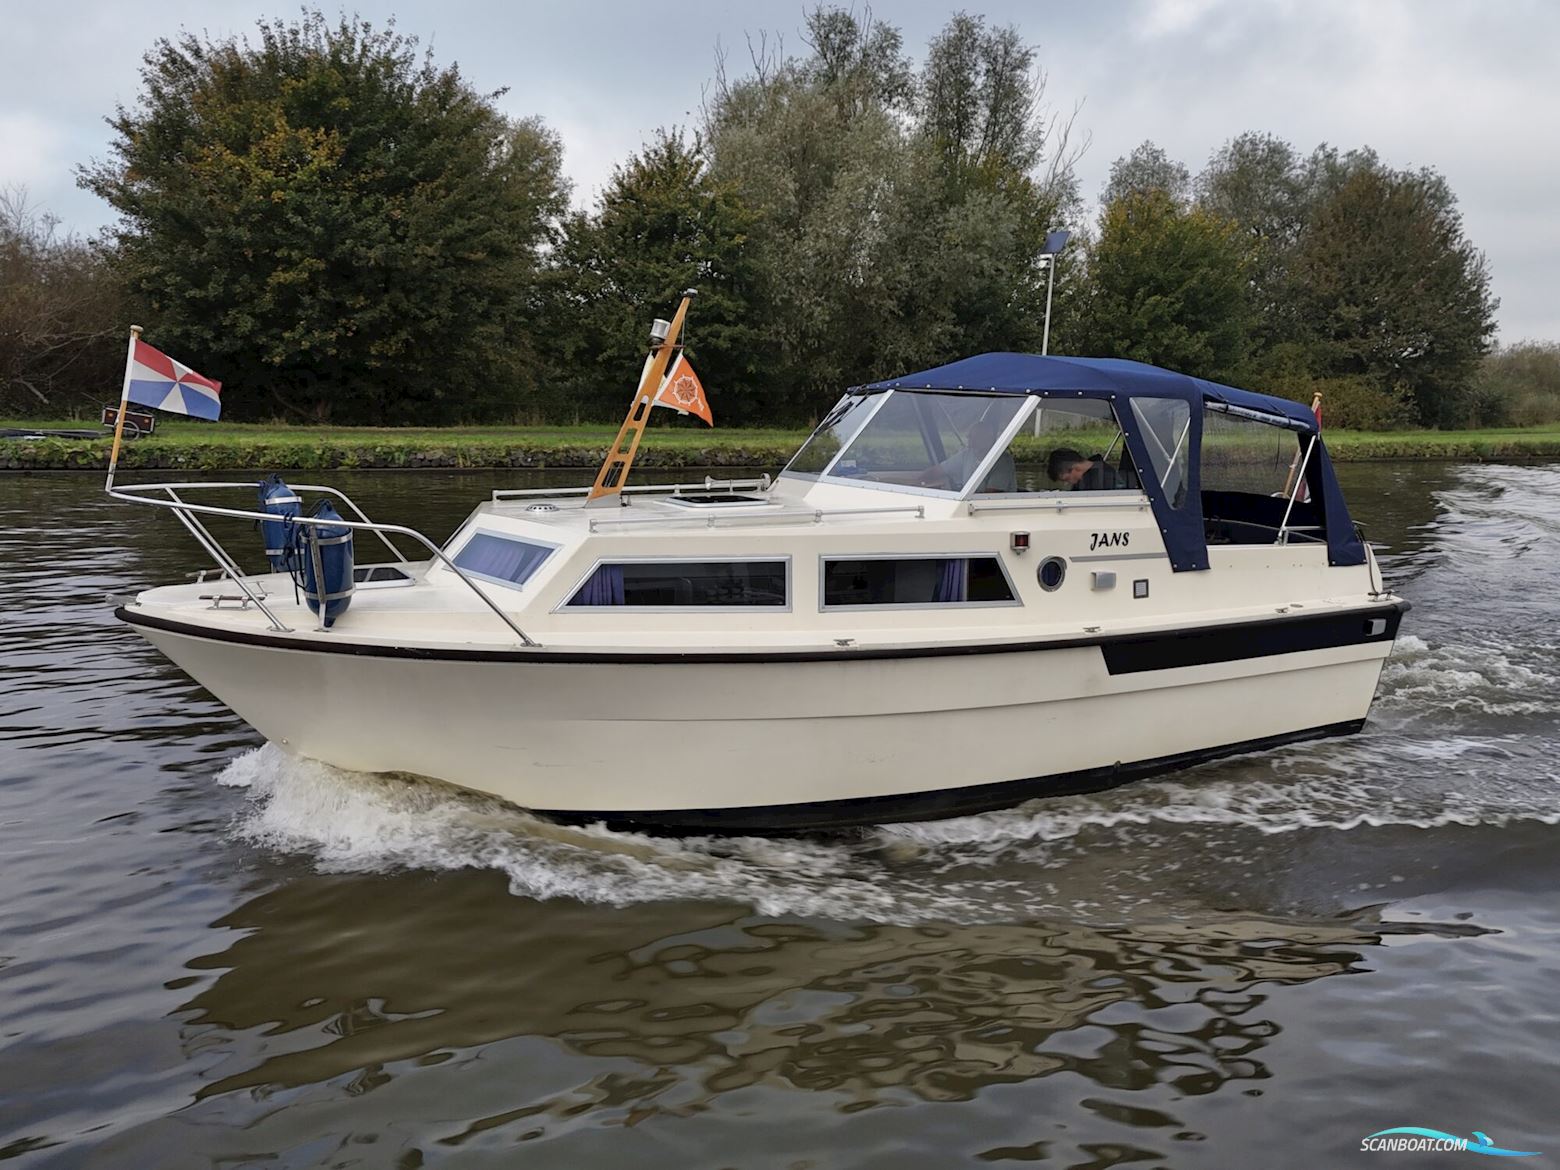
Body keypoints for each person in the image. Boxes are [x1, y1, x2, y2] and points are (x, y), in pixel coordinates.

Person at [1047, 447, 1125, 491]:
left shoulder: (1105, 479)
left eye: (1066, 479)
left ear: (1076, 468)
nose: (1066, 483)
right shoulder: (1091, 476)